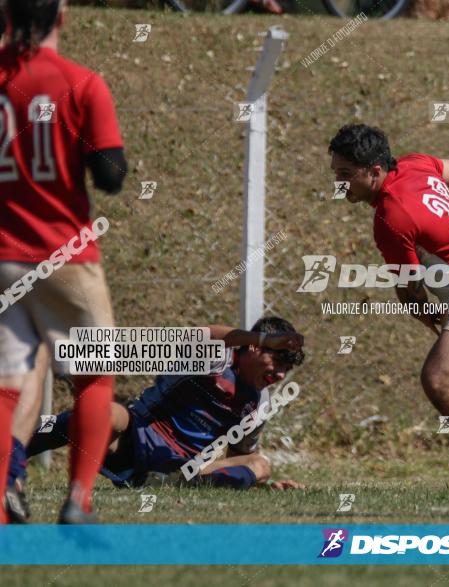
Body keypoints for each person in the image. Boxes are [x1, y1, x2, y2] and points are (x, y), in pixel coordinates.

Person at [328, 124, 449, 491]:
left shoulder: (390, 217)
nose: (339, 185)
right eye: (335, 174)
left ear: (375, 171)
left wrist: (429, 318)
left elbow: (409, 286)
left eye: (345, 176)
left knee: (438, 380)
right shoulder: (416, 163)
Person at [0, 0, 127, 524]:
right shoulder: (81, 82)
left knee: (7, 385)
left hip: (2, 255)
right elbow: (111, 174)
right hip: (65, 254)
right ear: (63, 15)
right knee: (95, 378)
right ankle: (79, 500)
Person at [23, 318, 306, 513]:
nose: (280, 375)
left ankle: (170, 482)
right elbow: (199, 334)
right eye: (277, 361)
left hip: (182, 469)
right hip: (137, 440)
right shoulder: (215, 357)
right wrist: (262, 336)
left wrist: (261, 485)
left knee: (261, 463)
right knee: (102, 412)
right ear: (254, 347)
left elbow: (238, 455)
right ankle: (13, 452)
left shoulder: (259, 404)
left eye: (286, 370)